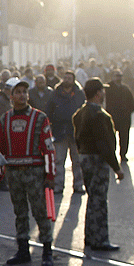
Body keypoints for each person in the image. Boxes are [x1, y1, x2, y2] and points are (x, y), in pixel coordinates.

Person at [0, 78, 57, 266]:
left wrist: (50, 175)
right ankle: (23, 250)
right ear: (11, 95)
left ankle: (47, 250)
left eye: (24, 91)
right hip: (14, 173)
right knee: (20, 212)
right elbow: (0, 148)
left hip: (35, 173)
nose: (22, 95)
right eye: (18, 92)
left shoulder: (40, 118)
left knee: (40, 212)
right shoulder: (4, 119)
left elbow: (48, 148)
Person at [71, 78, 123, 251]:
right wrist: (116, 167)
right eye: (102, 91)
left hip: (85, 157)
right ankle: (100, 239)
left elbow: (77, 138)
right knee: (99, 201)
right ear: (98, 93)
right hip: (97, 160)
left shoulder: (81, 113)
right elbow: (105, 145)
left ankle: (90, 237)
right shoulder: (100, 115)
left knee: (92, 199)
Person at [49, 69, 85, 198]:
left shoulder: (79, 94)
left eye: (70, 78)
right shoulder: (55, 94)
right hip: (60, 132)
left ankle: (78, 184)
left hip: (76, 132)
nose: (67, 80)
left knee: (77, 160)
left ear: (73, 80)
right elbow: (49, 112)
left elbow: (83, 110)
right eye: (65, 77)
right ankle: (58, 185)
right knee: (59, 160)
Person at [103, 70, 134, 164]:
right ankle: (111, 155)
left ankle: (123, 154)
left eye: (120, 76)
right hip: (111, 117)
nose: (119, 78)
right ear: (112, 77)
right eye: (117, 76)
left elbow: (132, 102)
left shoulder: (126, 88)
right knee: (110, 138)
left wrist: (129, 111)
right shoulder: (107, 88)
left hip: (124, 117)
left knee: (124, 137)